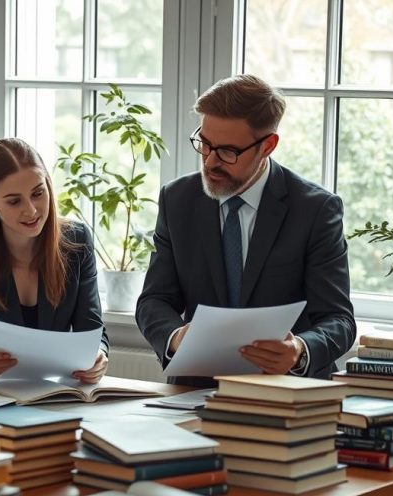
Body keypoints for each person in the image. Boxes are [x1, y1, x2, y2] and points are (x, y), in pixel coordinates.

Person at [136, 74, 355, 388]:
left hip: (287, 392)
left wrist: (299, 350)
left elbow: (339, 319)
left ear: (267, 145)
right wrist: (175, 337)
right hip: (195, 389)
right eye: (205, 143)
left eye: (227, 151)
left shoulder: (316, 210)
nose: (210, 161)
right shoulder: (178, 200)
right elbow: (154, 300)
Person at [0, 137, 109, 384]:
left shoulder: (77, 241)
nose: (31, 210)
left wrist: (99, 355)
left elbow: (92, 331)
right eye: (14, 201)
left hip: (59, 394)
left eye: (38, 193)